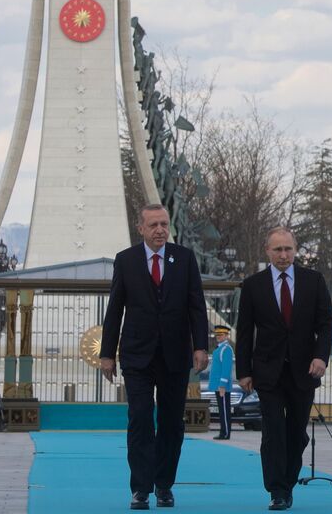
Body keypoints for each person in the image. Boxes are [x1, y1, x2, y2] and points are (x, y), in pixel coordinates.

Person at [100, 203, 210, 511]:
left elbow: (196, 306)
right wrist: (107, 354)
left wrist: (200, 346)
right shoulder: (126, 261)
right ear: (141, 229)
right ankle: (140, 488)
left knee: (172, 422)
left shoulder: (184, 259)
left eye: (164, 224)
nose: (160, 229)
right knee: (140, 418)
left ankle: (164, 485)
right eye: (154, 225)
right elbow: (115, 309)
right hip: (137, 355)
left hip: (175, 354)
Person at [235, 227, 332, 511]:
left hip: (304, 371)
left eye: (288, 249)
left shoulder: (313, 281)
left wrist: (321, 357)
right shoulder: (254, 285)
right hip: (268, 371)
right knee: (273, 430)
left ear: (295, 249)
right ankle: (277, 490)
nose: (283, 255)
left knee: (296, 433)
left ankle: (288, 480)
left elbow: (325, 325)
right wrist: (244, 371)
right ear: (267, 251)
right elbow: (244, 332)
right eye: (277, 249)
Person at [209, 325, 235, 440]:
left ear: (226, 336)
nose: (218, 337)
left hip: (221, 386)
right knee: (222, 409)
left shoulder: (226, 349)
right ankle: (223, 431)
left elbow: (226, 368)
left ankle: (225, 433)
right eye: (217, 335)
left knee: (224, 410)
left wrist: (222, 385)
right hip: (218, 385)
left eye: (221, 335)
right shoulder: (219, 349)